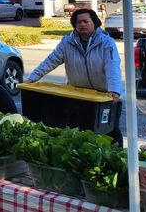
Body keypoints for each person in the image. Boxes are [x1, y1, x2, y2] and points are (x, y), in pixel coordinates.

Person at [25, 8, 125, 144]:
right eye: (78, 22)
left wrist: (114, 89)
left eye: (86, 21)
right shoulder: (67, 42)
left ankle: (118, 158)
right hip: (80, 96)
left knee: (109, 131)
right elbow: (51, 61)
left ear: (94, 22)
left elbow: (112, 66)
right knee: (81, 130)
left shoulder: (107, 42)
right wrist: (33, 77)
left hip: (106, 97)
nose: (82, 25)